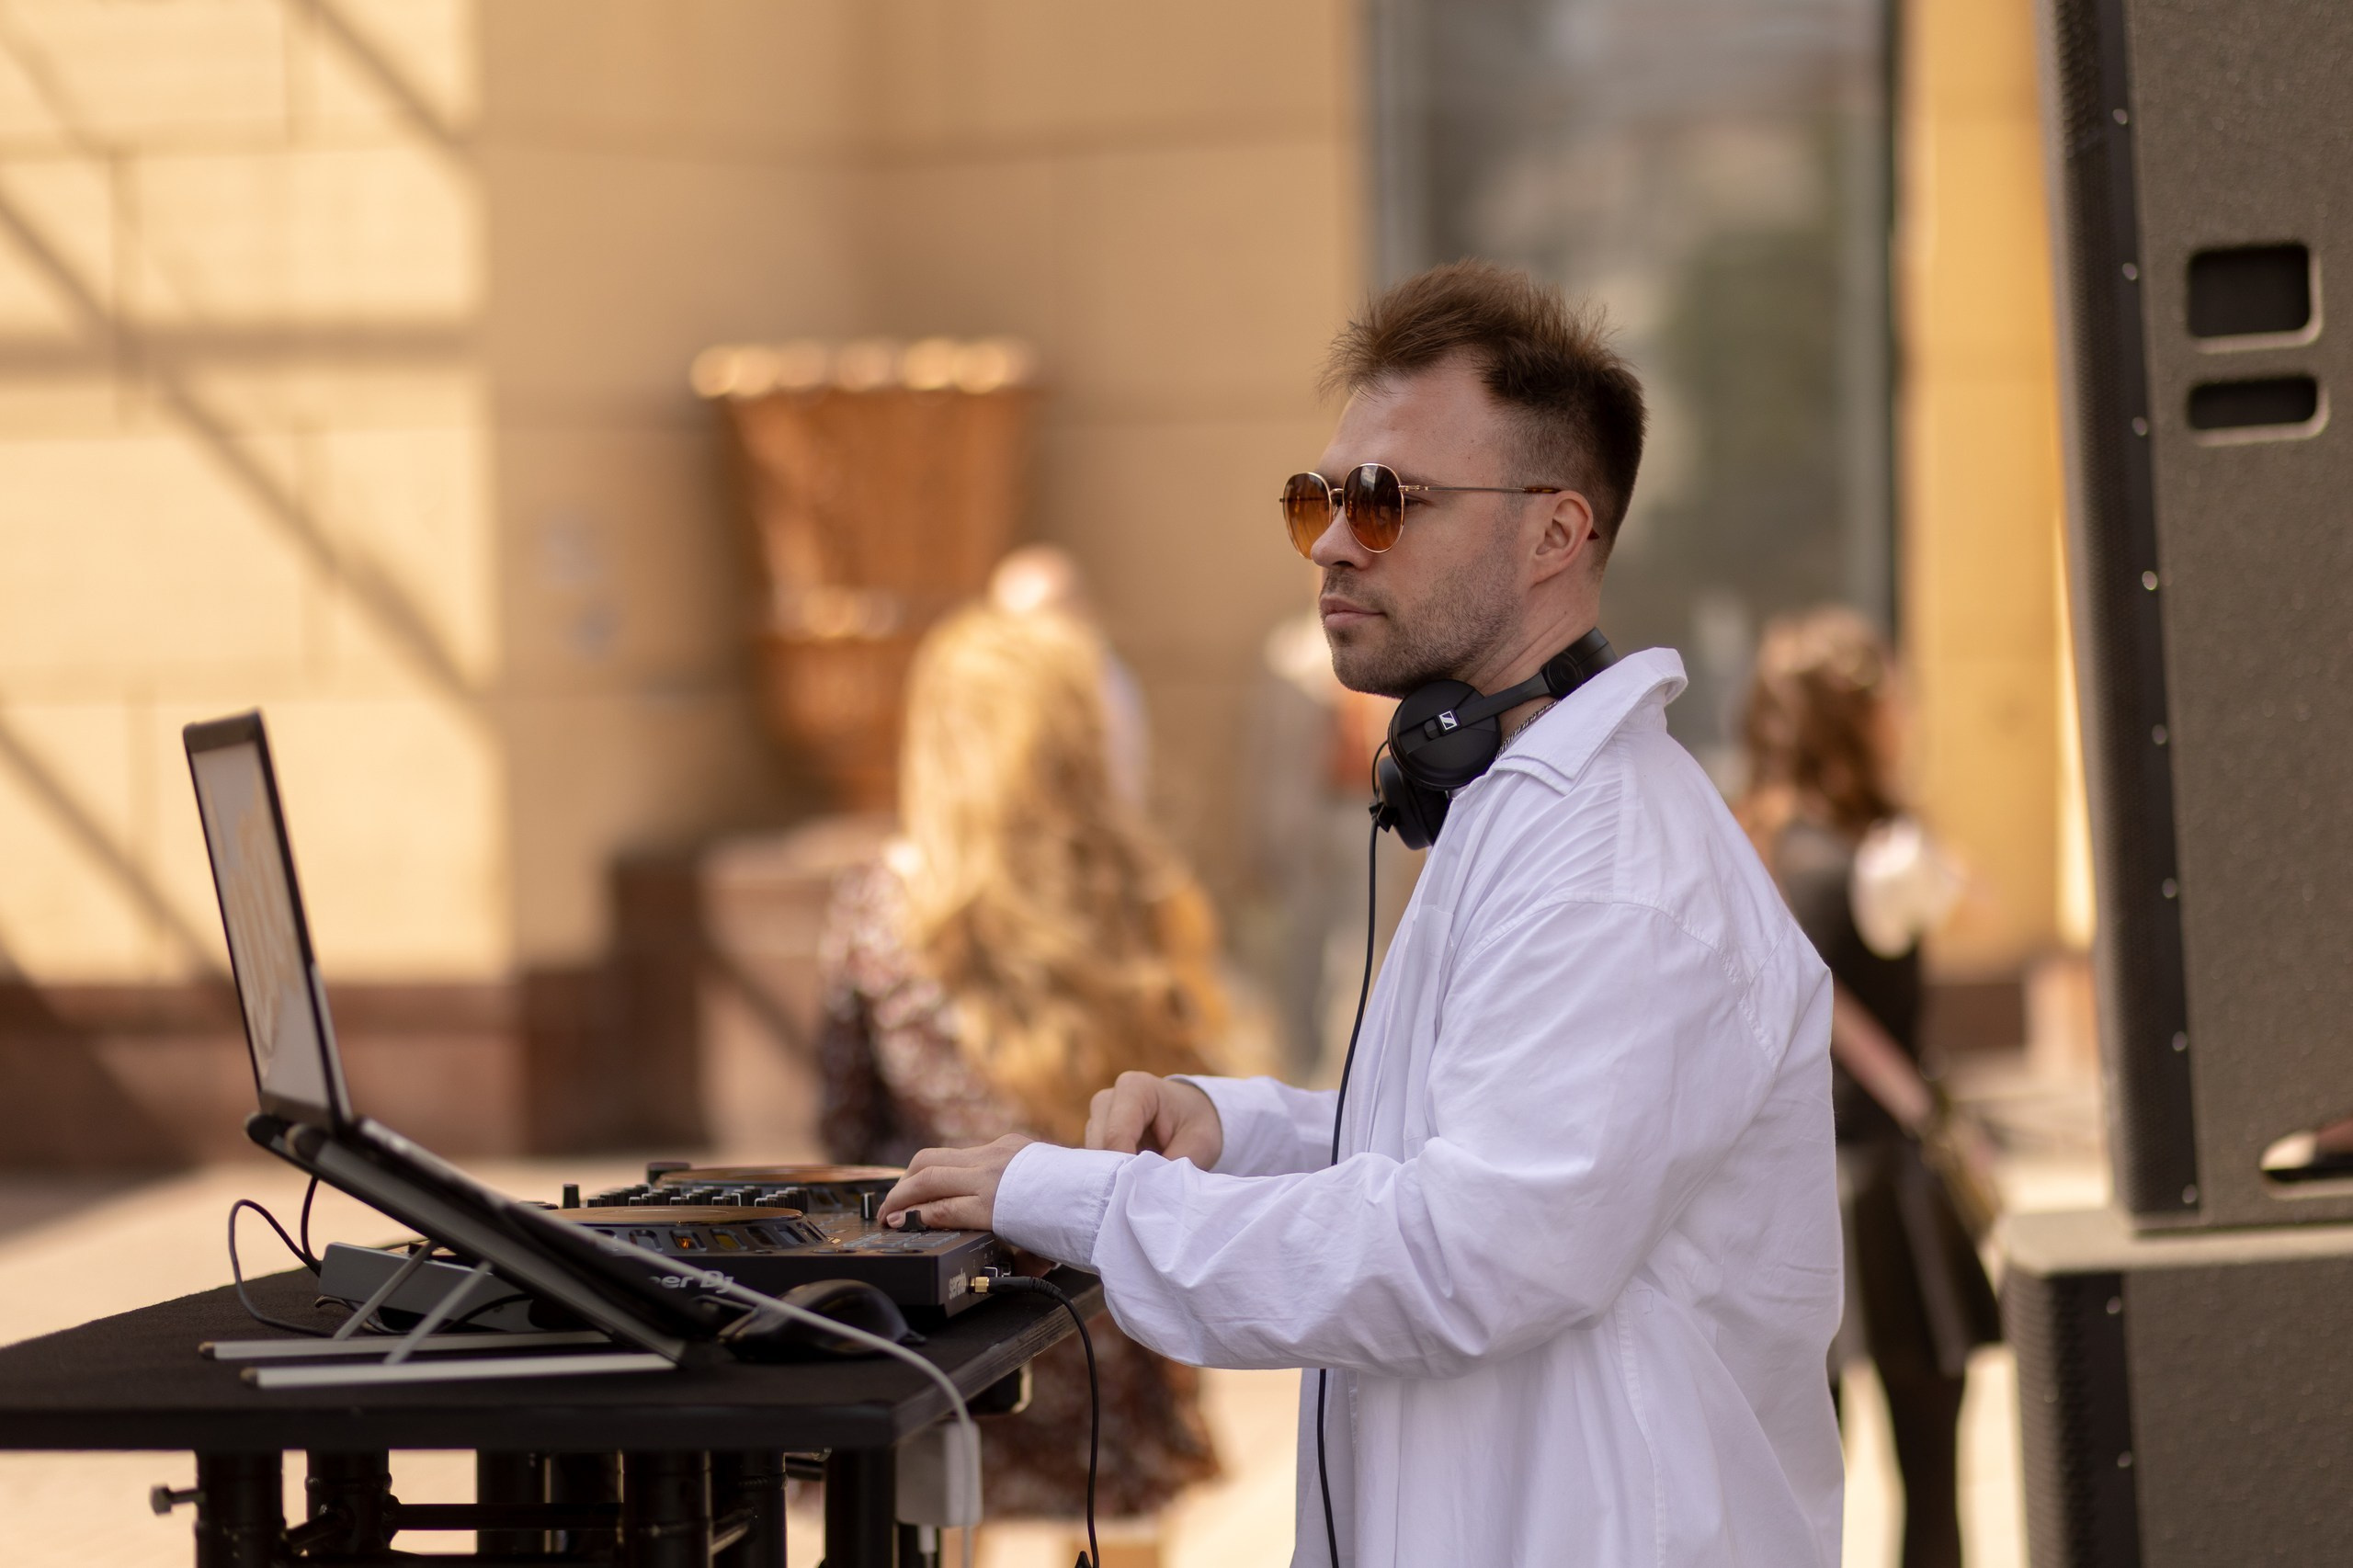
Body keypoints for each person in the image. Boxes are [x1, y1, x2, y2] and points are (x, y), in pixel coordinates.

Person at [877, 260, 1844, 1567]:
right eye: (1319, 497)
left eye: (1391, 500)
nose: (1334, 539)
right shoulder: (1521, 806)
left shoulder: (1613, 868)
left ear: (1555, 534)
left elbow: (1466, 1253)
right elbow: (1483, 1138)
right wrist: (1241, 1132)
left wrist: (1089, 1201)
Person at [815, 602, 1223, 1531]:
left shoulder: (882, 905)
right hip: (1096, 1299)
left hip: (944, 1306)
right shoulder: (1135, 895)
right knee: (1116, 1531)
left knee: (942, 1531)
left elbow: (844, 1128)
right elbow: (1182, 1115)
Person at [1734, 606, 2001, 1568]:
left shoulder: (1752, 850)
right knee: (1929, 1476)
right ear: (1859, 719)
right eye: (1892, 695)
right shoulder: (1887, 860)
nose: (1908, 712)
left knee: (1798, 1490)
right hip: (1889, 1190)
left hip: (1785, 1191)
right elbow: (1977, 903)